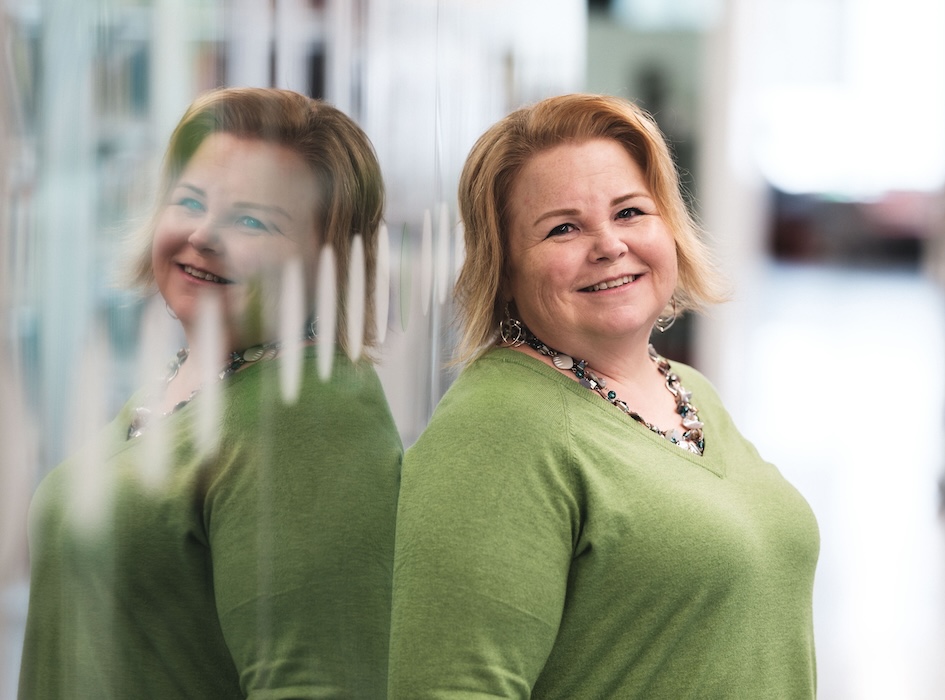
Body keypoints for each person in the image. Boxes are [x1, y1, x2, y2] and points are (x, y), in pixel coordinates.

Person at [388, 93, 819, 698]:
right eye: (563, 227)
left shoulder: (688, 389)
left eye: (630, 212)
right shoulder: (497, 432)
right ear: (505, 266)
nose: (609, 245)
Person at [19, 87, 402, 698]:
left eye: (252, 220)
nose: (203, 233)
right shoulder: (182, 384)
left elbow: (320, 682)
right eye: (190, 200)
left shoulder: (313, 414)